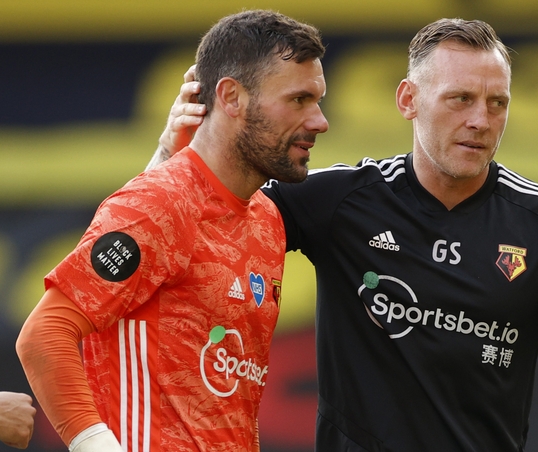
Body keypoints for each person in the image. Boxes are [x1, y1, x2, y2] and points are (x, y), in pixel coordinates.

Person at [154, 18, 538, 451]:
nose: (480, 120)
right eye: (460, 99)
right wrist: (168, 154)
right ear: (408, 100)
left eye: (497, 103)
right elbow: (177, 229)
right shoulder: (339, 203)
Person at [16, 10, 328, 452]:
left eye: (318, 100)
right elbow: (45, 334)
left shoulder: (266, 218)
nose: (319, 121)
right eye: (298, 100)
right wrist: (96, 445)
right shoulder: (159, 203)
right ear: (232, 97)